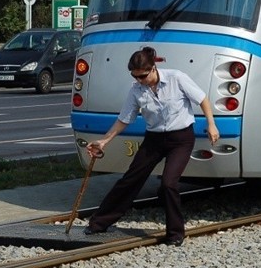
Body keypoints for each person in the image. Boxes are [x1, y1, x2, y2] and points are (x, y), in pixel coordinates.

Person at [83, 46, 220, 246]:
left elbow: (202, 99)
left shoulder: (177, 78)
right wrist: (104, 140)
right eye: (135, 76)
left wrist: (211, 124)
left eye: (143, 76)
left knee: (168, 183)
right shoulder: (136, 90)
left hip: (181, 139)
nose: (140, 80)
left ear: (153, 68)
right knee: (130, 179)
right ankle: (99, 223)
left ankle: (175, 234)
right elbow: (125, 119)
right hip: (154, 139)